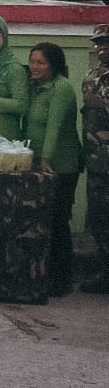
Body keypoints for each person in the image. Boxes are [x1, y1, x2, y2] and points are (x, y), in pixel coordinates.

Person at [24, 42, 83, 297]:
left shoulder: (62, 88)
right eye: (32, 61)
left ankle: (61, 280)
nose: (35, 67)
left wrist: (46, 161)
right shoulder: (34, 88)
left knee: (57, 221)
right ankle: (41, 274)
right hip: (37, 165)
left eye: (41, 63)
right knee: (40, 221)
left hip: (61, 166)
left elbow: (54, 127)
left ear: (54, 65)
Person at [80, 24, 109, 293]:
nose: (102, 48)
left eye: (107, 43)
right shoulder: (93, 75)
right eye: (99, 43)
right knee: (99, 218)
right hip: (96, 159)